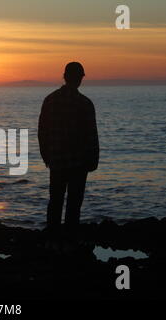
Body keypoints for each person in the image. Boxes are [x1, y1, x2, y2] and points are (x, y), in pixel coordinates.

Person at [38, 62, 99, 228]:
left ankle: (53, 240)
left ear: (64, 77)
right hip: (79, 163)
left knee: (55, 202)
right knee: (74, 204)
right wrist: (94, 160)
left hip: (56, 161)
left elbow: (42, 132)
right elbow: (92, 135)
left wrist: (46, 156)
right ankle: (69, 242)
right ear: (80, 79)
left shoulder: (50, 100)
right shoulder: (85, 103)